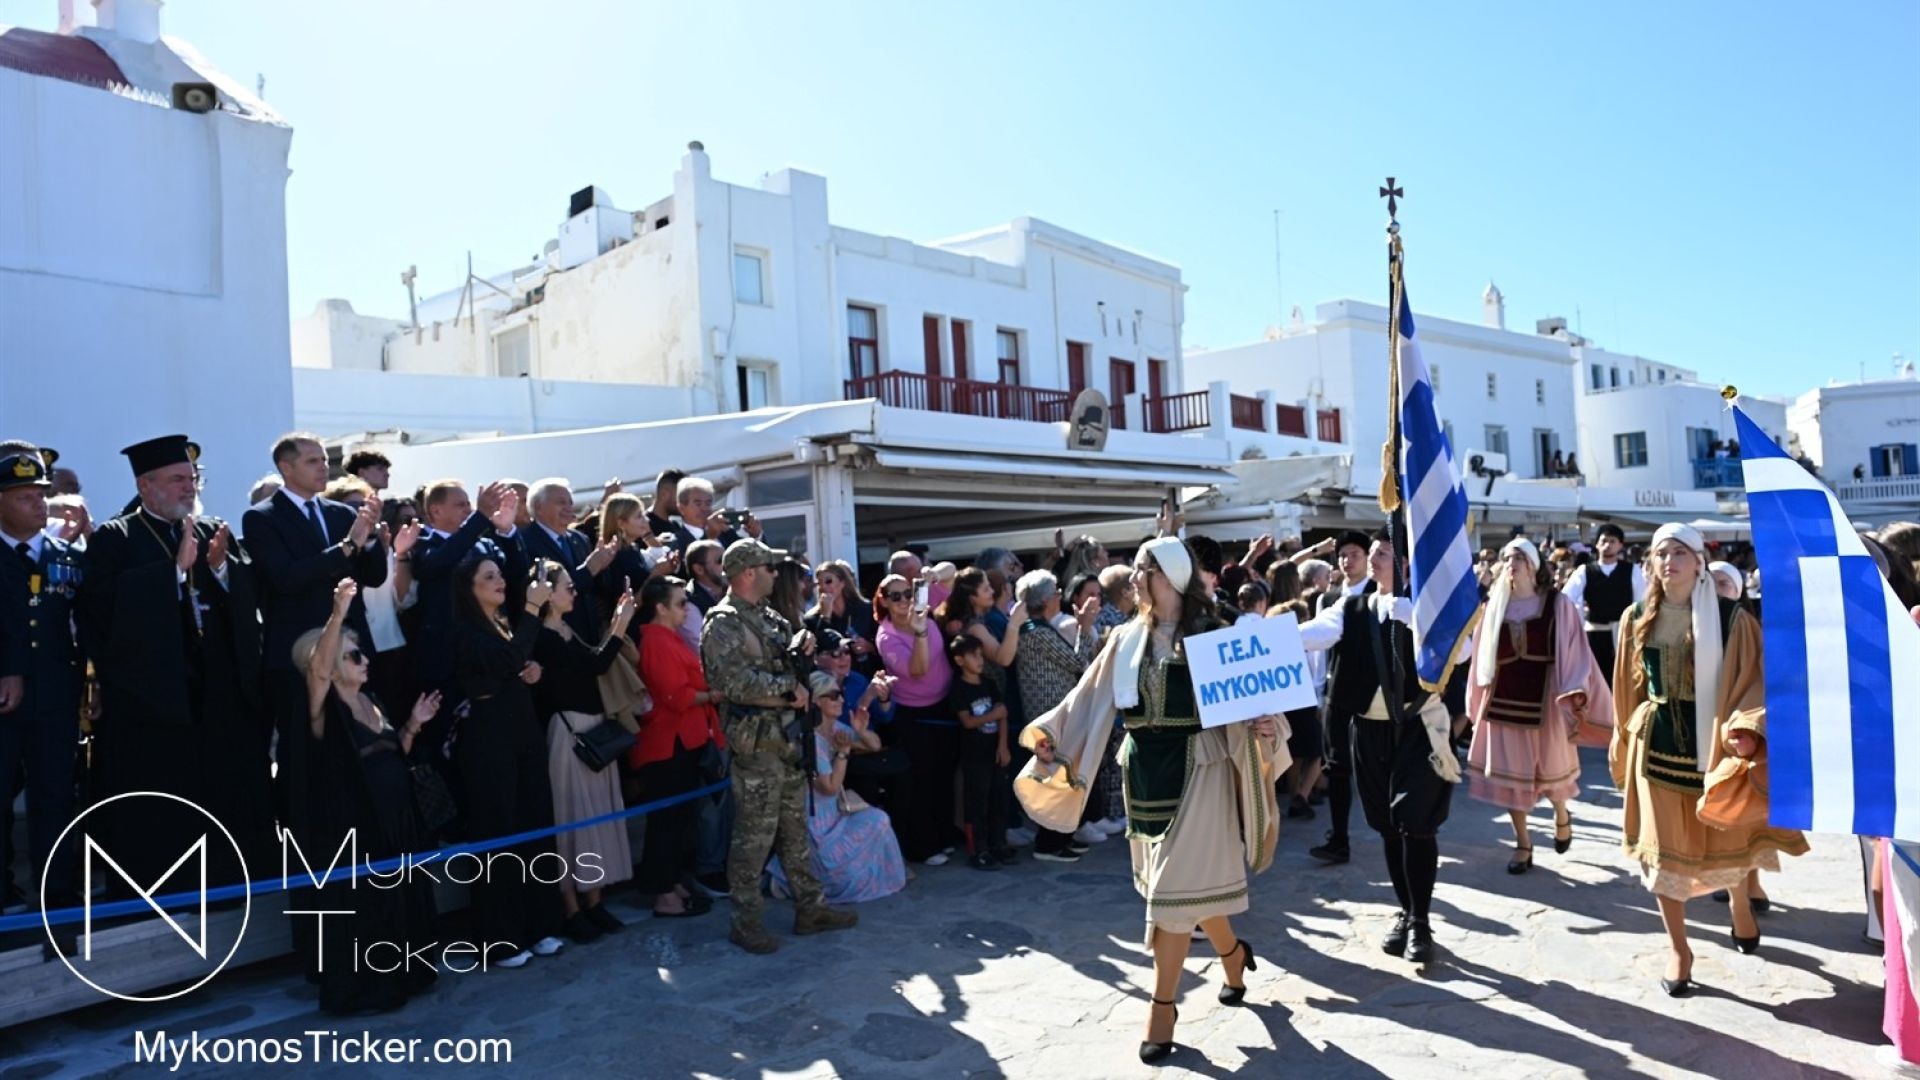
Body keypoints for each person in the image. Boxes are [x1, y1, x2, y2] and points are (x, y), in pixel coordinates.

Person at [1017, 537, 1282, 1061]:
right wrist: (1052, 734)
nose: (1132, 577)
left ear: (1170, 576)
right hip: (1143, 773)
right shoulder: (1125, 638)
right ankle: (1233, 956)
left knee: (1170, 896)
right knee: (1190, 892)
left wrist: (1263, 723)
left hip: (1200, 767)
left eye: (1142, 569)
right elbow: (1087, 698)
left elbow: (1256, 708)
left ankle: (1162, 1010)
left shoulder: (1214, 633)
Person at [1608, 522, 1808, 995]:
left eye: (1680, 552)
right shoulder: (1635, 616)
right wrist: (1623, 736)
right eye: (1661, 553)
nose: (1670, 561)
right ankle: (1680, 948)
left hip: (1715, 746)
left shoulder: (1731, 618)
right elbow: (1627, 688)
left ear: (1699, 561)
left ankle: (1740, 903)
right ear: (1652, 564)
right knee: (1660, 858)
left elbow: (1752, 679)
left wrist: (1745, 731)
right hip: (1655, 749)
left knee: (1724, 838)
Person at [79, 434, 274, 892]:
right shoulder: (116, 537)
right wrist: (172, 571)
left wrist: (224, 570)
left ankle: (235, 880)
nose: (189, 488)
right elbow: (99, 608)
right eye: (177, 479)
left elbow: (247, 595)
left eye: (193, 479)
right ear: (146, 486)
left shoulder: (212, 528)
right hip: (157, 698)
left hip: (218, 691)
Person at [1299, 531, 1454, 964]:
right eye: (1373, 553)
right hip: (1369, 731)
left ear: (1404, 563)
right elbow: (1312, 633)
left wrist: (1418, 621)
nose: (1373, 560)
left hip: (1417, 730)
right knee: (1388, 826)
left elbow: (1459, 655)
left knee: (1416, 824)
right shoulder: (1351, 606)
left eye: (1384, 553)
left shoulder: (1424, 608)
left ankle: (1421, 921)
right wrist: (1254, 641)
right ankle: (1406, 912)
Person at [701, 538, 858, 953]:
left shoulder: (769, 618)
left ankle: (811, 908)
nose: (777, 574)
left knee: (794, 834)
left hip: (787, 741)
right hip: (757, 748)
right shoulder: (723, 623)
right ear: (749, 572)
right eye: (770, 568)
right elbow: (731, 684)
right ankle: (746, 922)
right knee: (752, 839)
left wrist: (803, 656)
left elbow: (789, 667)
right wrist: (790, 688)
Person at [297, 579, 438, 1015]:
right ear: (333, 666)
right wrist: (338, 614)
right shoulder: (325, 710)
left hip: (398, 823)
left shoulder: (372, 701)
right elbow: (317, 672)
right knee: (368, 912)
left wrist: (413, 724)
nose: (364, 660)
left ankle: (409, 973)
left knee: (401, 907)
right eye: (353, 655)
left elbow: (392, 756)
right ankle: (369, 990)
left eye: (362, 653)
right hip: (357, 832)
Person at [244, 432, 389, 851]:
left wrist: (371, 532)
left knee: (360, 744)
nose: (324, 467)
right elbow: (287, 578)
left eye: (325, 460)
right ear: (286, 468)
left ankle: (365, 837)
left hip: (351, 652)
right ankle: (308, 846)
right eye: (312, 461)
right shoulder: (262, 517)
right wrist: (348, 546)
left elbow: (374, 576)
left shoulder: (342, 514)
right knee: (306, 753)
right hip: (299, 656)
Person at [1463, 539, 1612, 873]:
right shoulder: (1493, 607)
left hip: (1545, 699)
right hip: (1502, 699)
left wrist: (1573, 691)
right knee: (1510, 780)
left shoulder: (1557, 604)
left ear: (1533, 564)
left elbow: (1575, 650)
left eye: (1518, 557)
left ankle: (1561, 815)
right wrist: (1475, 700)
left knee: (1552, 773)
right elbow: (1480, 659)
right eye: (1506, 558)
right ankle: (1523, 844)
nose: (1510, 563)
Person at [449, 556, 566, 969]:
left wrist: (532, 669)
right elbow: (500, 662)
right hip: (489, 741)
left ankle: (537, 925)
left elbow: (515, 660)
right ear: (469, 588)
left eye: (500, 573)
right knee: (499, 835)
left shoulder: (504, 623)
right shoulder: (463, 629)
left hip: (523, 734)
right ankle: (500, 938)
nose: (500, 580)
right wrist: (533, 610)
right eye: (489, 577)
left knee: (533, 828)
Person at [530, 559, 638, 942]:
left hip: (592, 729)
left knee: (597, 817)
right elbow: (597, 664)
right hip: (569, 732)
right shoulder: (543, 637)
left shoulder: (566, 629)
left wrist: (618, 624)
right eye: (567, 587)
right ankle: (571, 907)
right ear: (547, 594)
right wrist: (620, 623)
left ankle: (594, 901)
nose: (573, 593)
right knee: (573, 819)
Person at [0, 445, 85, 912]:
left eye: (40, 494)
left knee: (54, 797)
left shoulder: (68, 556)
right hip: (4, 698)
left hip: (55, 697)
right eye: (23, 497)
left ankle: (56, 897)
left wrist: (93, 685)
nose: (38, 504)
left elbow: (84, 625)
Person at [768, 670, 908, 904]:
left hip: (834, 815)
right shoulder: (809, 739)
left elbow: (874, 745)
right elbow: (829, 787)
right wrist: (843, 753)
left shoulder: (834, 729)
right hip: (815, 822)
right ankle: (785, 877)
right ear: (816, 702)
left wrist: (861, 730)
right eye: (833, 696)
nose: (841, 700)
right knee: (873, 826)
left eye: (840, 694)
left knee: (878, 819)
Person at [630, 574, 723, 918]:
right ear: (660, 607)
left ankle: (671, 883)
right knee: (665, 824)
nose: (687, 608)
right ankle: (662, 894)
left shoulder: (670, 637)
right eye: (681, 603)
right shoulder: (655, 640)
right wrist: (712, 695)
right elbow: (676, 695)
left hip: (686, 742)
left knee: (678, 821)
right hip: (668, 746)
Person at [874, 571, 960, 864]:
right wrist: (920, 631)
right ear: (883, 601)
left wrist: (931, 574)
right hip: (914, 714)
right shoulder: (887, 637)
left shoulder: (921, 604)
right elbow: (919, 669)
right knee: (922, 780)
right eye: (894, 596)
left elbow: (952, 580)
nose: (903, 600)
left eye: (907, 593)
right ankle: (923, 846)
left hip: (944, 705)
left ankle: (944, 834)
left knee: (944, 775)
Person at [1308, 529, 1379, 864]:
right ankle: (1339, 838)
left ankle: (1392, 828)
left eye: (1354, 554)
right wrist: (1321, 692)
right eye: (1342, 555)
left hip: (1375, 695)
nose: (1347, 561)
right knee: (1336, 767)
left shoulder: (1382, 593)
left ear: (1367, 557)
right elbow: (1321, 648)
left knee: (1377, 766)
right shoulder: (1329, 596)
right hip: (1338, 691)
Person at [945, 635, 1014, 870]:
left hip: (994, 752)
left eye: (980, 654)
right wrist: (992, 716)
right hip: (974, 756)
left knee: (999, 800)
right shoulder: (959, 688)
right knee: (977, 803)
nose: (979, 659)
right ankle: (978, 850)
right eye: (973, 655)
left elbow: (1003, 714)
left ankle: (998, 844)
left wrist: (1003, 745)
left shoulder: (989, 683)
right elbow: (967, 722)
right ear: (959, 660)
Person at [524, 478, 620, 642]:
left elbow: (596, 587)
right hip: (557, 639)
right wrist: (589, 568)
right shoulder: (525, 543)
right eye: (561, 502)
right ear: (539, 507)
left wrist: (604, 564)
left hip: (590, 634)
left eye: (570, 502)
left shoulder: (580, 539)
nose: (569, 508)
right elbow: (549, 593)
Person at [1561, 523, 1646, 686]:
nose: (1608, 545)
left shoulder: (1632, 570)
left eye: (1612, 541)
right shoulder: (1585, 571)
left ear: (1620, 545)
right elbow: (1566, 598)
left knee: (1622, 681)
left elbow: (1641, 602)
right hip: (1594, 634)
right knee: (1595, 681)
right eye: (1604, 541)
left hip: (1623, 635)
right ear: (1597, 544)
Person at [806, 560, 879, 676]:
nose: (823, 587)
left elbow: (882, 642)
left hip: (865, 675)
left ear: (842, 583)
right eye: (819, 584)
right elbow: (819, 650)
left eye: (828, 581)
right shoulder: (812, 619)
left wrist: (869, 647)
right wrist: (825, 616)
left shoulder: (865, 609)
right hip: (832, 680)